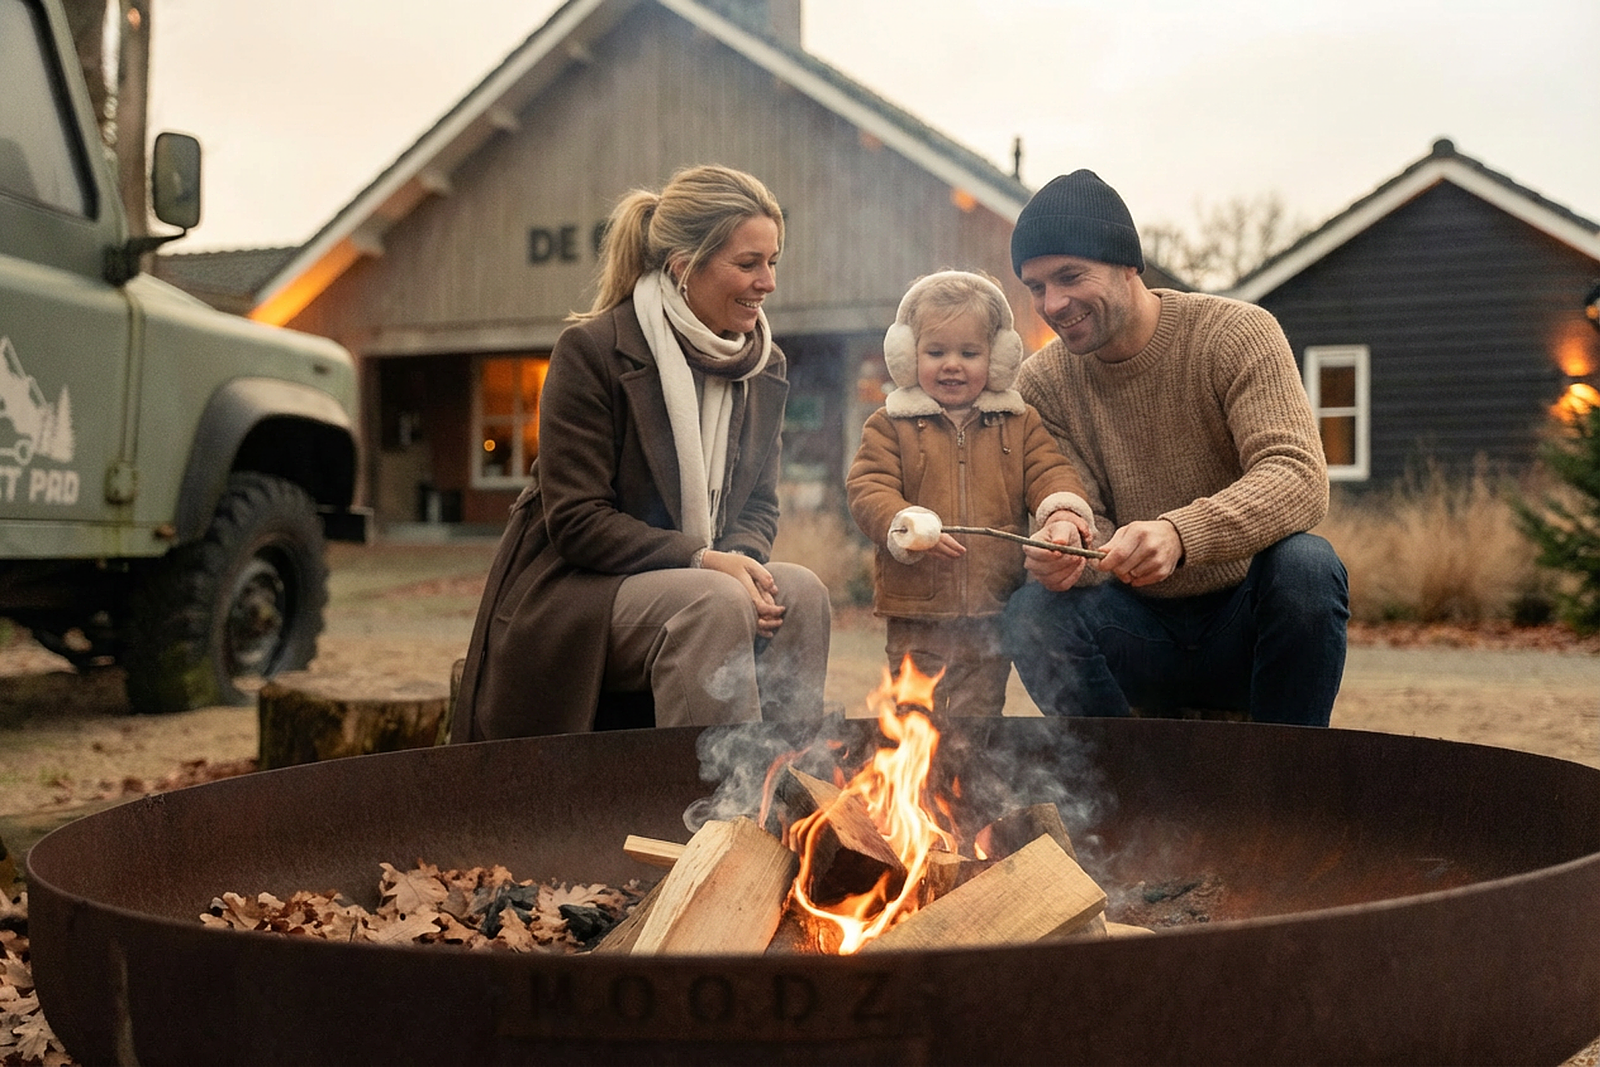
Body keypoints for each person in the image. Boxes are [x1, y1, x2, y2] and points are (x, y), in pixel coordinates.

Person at [451, 164, 830, 740]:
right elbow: (577, 523)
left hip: (695, 576)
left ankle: (789, 800)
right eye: (748, 264)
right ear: (684, 266)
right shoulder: (594, 350)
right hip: (577, 590)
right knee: (713, 605)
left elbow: (758, 504)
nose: (768, 282)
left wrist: (743, 564)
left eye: (772, 262)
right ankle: (706, 817)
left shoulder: (762, 366)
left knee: (801, 591)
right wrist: (706, 563)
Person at [1000, 170, 1349, 725]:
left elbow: (1298, 475)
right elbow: (1081, 511)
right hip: (1132, 629)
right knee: (1032, 611)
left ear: (1128, 263)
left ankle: (1286, 790)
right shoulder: (1041, 383)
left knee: (1307, 565)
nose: (1053, 302)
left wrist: (1180, 534)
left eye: (1069, 276)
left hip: (1247, 623)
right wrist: (1069, 550)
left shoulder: (1235, 333)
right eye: (1036, 286)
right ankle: (1121, 793)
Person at [847, 270, 1096, 716]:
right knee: (912, 717)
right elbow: (868, 488)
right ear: (908, 356)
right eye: (936, 351)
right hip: (916, 610)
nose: (952, 364)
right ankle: (914, 786)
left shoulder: (1019, 424)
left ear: (998, 359)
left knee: (977, 716)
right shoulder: (890, 425)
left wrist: (1060, 514)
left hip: (991, 606)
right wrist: (903, 522)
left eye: (969, 352)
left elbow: (1051, 471)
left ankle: (966, 784)